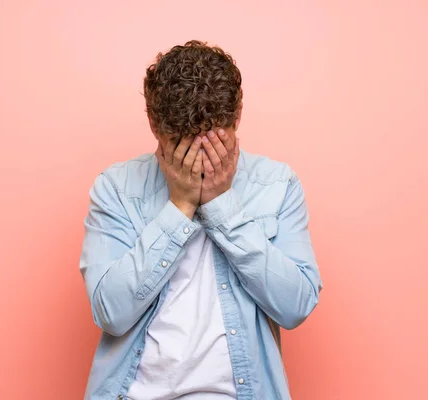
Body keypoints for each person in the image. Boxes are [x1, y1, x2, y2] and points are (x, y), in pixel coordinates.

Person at [79, 40, 323, 400]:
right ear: (154, 125)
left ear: (236, 116)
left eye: (210, 142)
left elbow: (296, 306)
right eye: (181, 143)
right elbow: (110, 313)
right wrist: (179, 206)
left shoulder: (276, 184)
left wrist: (223, 205)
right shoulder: (117, 188)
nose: (197, 158)